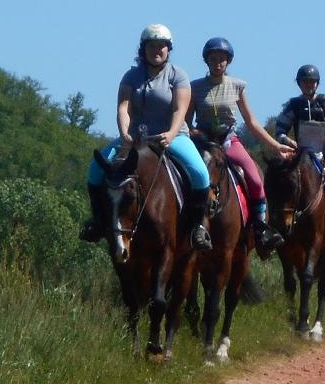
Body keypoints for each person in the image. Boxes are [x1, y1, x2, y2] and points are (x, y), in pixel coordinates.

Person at [80, 24, 213, 250]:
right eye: (152, 46)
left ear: (169, 49)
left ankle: (198, 227)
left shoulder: (178, 75)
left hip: (171, 136)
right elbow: (124, 107)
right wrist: (124, 134)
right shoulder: (131, 76)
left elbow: (179, 110)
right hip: (136, 138)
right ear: (143, 49)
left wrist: (171, 134)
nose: (157, 50)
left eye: (162, 46)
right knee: (95, 169)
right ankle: (98, 221)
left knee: (200, 173)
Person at [188, 37, 294, 252]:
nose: (217, 63)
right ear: (206, 61)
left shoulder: (238, 86)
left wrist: (275, 146)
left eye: (222, 59)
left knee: (254, 176)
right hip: (204, 143)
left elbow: (252, 123)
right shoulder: (194, 87)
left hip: (228, 141)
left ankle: (260, 228)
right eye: (213, 59)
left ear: (228, 62)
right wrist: (195, 133)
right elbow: (187, 121)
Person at [274, 64, 325, 236]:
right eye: (305, 82)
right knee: (281, 178)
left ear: (317, 83)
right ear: (299, 84)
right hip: (301, 154)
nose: (308, 85)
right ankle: (274, 219)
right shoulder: (293, 105)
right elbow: (279, 130)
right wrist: (287, 141)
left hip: (324, 153)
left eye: (311, 82)